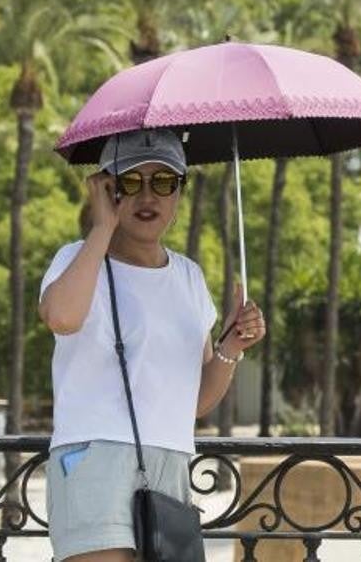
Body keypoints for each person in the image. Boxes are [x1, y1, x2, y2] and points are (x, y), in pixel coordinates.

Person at [38, 128, 265, 562]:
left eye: (163, 182)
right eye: (130, 182)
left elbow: (195, 401)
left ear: (180, 190)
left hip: (170, 461)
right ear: (107, 188)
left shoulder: (188, 278)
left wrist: (231, 347)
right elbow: (62, 317)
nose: (148, 197)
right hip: (93, 455)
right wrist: (102, 226)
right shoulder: (76, 259)